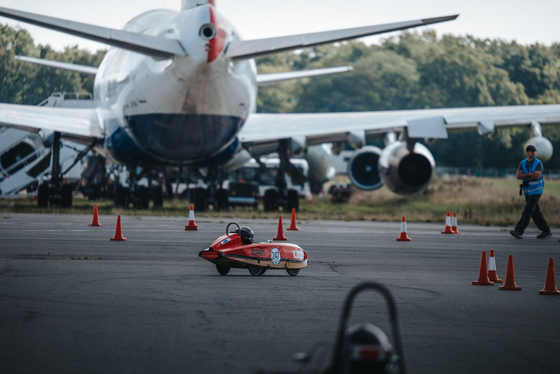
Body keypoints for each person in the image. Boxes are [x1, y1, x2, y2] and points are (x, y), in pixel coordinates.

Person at [510, 145, 551, 239]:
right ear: (527, 152)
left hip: (536, 190)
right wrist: (530, 175)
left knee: (528, 210)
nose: (533, 152)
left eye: (534, 151)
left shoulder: (538, 163)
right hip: (527, 192)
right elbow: (518, 176)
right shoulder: (523, 163)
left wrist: (525, 175)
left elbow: (537, 176)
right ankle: (546, 231)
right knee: (535, 212)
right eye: (531, 151)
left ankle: (519, 230)